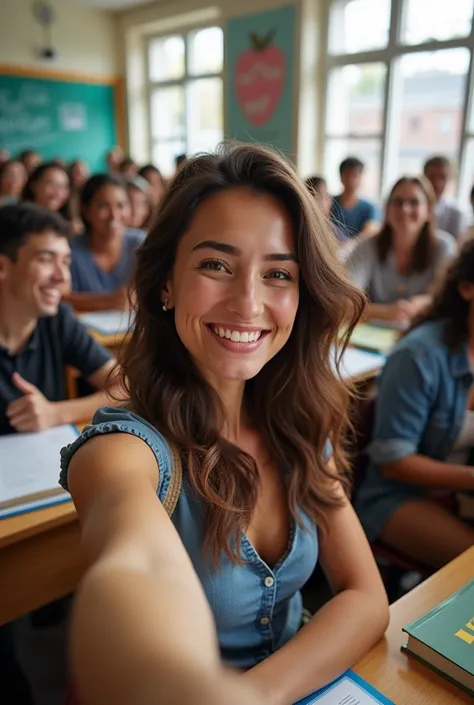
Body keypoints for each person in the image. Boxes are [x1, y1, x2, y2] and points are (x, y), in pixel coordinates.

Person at [60, 143, 388, 705]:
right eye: (216, 265)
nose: (248, 302)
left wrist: (257, 696)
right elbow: (135, 568)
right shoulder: (125, 451)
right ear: (164, 283)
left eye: (279, 273)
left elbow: (365, 596)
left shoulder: (299, 423)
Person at [355, 240, 474, 569]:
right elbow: (395, 462)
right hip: (397, 494)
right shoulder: (419, 355)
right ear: (466, 288)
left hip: (459, 491)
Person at [0, 203, 124, 436]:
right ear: (3, 267)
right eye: (46, 260)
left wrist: (54, 413)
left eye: (66, 262)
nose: (62, 277)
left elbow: (125, 388)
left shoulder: (57, 320)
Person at [346, 176, 457, 326]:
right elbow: (345, 302)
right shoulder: (366, 246)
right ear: (387, 209)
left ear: (429, 211)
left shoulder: (444, 247)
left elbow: (449, 300)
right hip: (368, 338)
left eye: (414, 202)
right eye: (397, 202)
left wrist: (423, 303)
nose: (405, 209)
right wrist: (387, 312)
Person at [67, 174, 145, 311]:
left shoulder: (140, 243)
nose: (114, 215)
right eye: (104, 206)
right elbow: (60, 298)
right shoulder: (71, 251)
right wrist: (108, 301)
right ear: (86, 211)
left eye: (121, 205)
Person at [330, 157, 379, 238]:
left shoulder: (369, 208)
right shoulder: (329, 203)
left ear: (361, 178)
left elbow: (369, 232)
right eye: (347, 175)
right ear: (341, 177)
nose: (351, 180)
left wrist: (349, 245)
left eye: (355, 176)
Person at [424, 155, 468, 241]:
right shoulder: (411, 209)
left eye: (443, 177)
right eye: (432, 177)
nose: (437, 183)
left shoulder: (456, 214)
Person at [305, 176, 346, 242]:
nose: (329, 200)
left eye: (322, 197)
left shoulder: (335, 231)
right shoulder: (303, 233)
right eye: (316, 197)